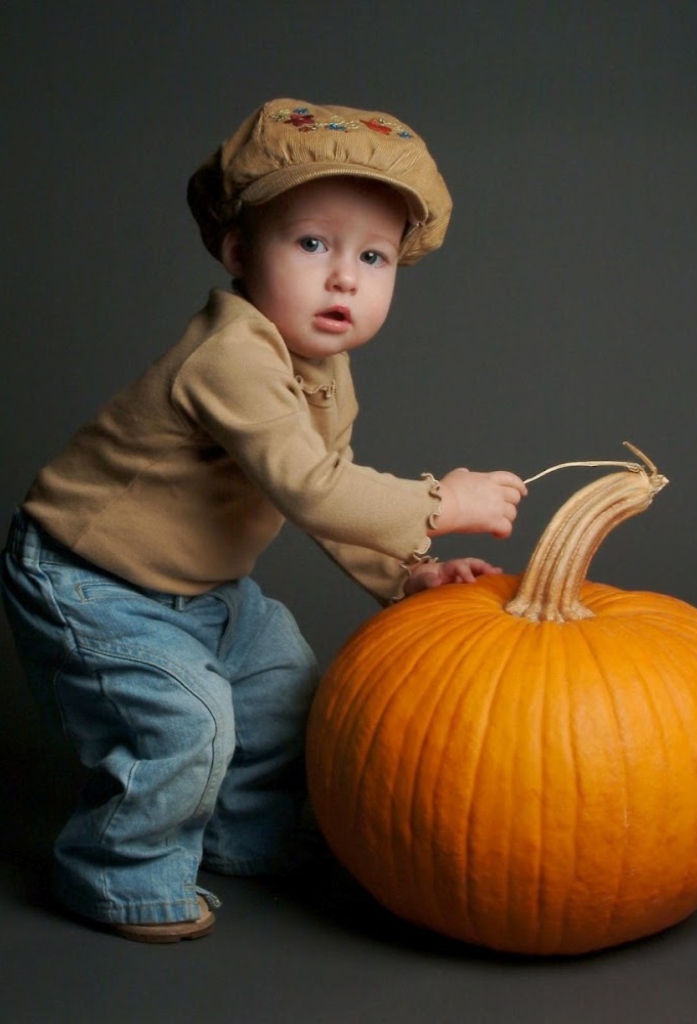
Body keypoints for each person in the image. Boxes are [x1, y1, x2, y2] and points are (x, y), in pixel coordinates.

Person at [0, 99, 527, 943]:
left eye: (374, 255)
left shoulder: (324, 367)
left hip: (202, 589)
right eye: (313, 244)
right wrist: (442, 501)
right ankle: (117, 872)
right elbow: (313, 487)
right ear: (240, 250)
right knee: (188, 718)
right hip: (90, 580)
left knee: (283, 687)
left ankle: (246, 834)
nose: (345, 277)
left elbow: (332, 492)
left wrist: (408, 571)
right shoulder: (232, 353)